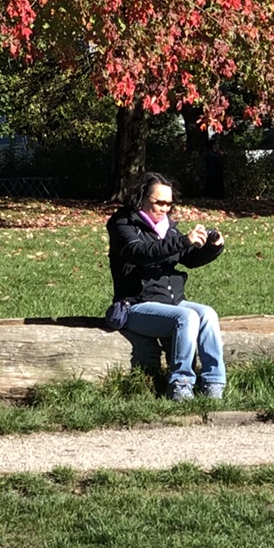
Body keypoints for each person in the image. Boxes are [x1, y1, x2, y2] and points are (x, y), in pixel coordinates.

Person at [105, 170, 227, 400]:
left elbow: (188, 259)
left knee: (208, 314)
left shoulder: (167, 228)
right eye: (158, 203)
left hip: (172, 302)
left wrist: (212, 247)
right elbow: (139, 252)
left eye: (169, 204)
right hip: (135, 305)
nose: (164, 209)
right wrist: (182, 241)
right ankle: (180, 385)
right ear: (141, 197)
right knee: (187, 317)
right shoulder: (122, 224)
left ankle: (214, 382)